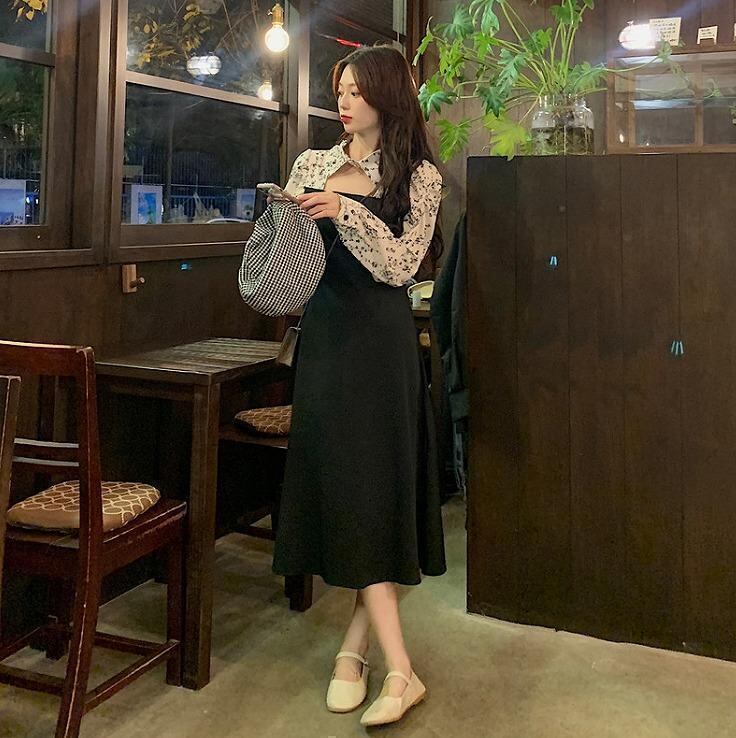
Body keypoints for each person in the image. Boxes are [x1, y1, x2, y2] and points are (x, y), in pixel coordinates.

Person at [272, 44, 447, 727]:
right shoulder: (311, 164)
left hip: (381, 348)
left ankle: (385, 665)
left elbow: (402, 266)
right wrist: (284, 217)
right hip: (326, 342)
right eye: (339, 90)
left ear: (387, 96)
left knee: (373, 491)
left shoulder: (421, 176)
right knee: (348, 490)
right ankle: (371, 655)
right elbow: (292, 263)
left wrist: (345, 212)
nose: (342, 102)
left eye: (355, 91)